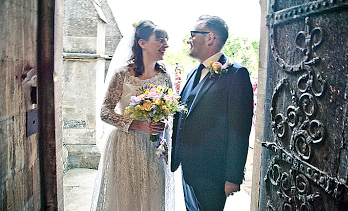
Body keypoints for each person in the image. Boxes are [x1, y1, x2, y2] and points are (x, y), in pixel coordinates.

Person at [89, 20, 175, 211]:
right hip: (125, 145)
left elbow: (172, 111)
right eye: (160, 39)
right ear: (142, 43)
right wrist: (138, 124)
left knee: (154, 197)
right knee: (125, 199)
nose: (166, 44)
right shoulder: (122, 75)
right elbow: (105, 112)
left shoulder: (164, 75)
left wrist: (164, 123)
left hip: (155, 148)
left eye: (167, 40)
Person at [171, 15, 254, 211]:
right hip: (188, 170)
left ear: (210, 38)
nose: (188, 39)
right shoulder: (193, 72)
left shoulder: (236, 74)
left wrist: (233, 177)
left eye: (193, 34)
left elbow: (240, 130)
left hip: (212, 174)